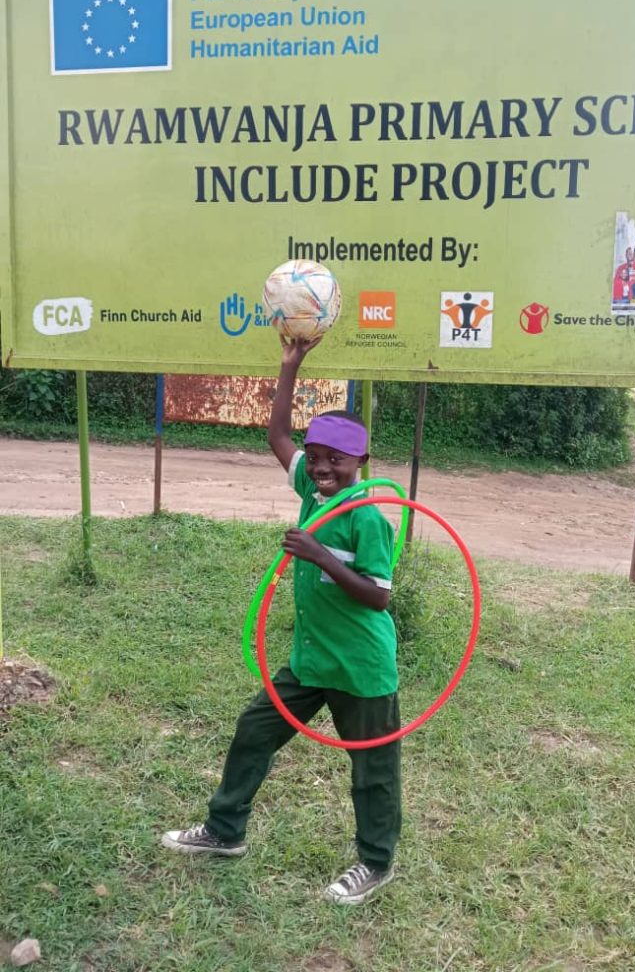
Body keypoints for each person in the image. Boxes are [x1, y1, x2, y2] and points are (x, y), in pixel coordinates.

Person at [162, 336, 402, 905]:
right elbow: (276, 437)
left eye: (334, 460)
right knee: (254, 731)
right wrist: (289, 365)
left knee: (373, 771)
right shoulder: (313, 493)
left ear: (360, 464)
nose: (320, 467)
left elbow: (378, 598)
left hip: (362, 667)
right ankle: (224, 831)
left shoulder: (368, 517)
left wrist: (319, 555)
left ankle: (375, 862)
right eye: (316, 458)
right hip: (312, 659)